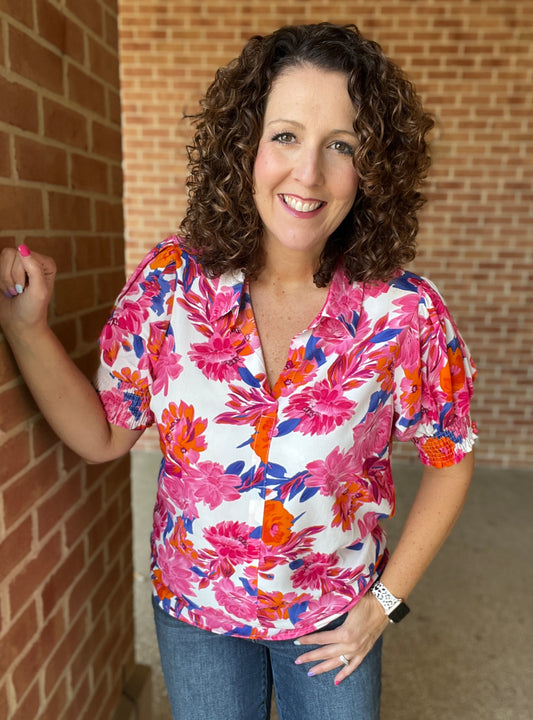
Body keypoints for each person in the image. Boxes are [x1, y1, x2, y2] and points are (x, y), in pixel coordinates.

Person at [0, 22, 476, 720]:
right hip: (196, 612)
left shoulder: (402, 311)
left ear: (373, 168)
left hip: (335, 613)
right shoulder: (172, 283)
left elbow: (449, 457)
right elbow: (102, 437)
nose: (306, 173)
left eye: (339, 145)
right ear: (244, 145)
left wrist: (383, 606)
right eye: (284, 136)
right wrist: (27, 329)